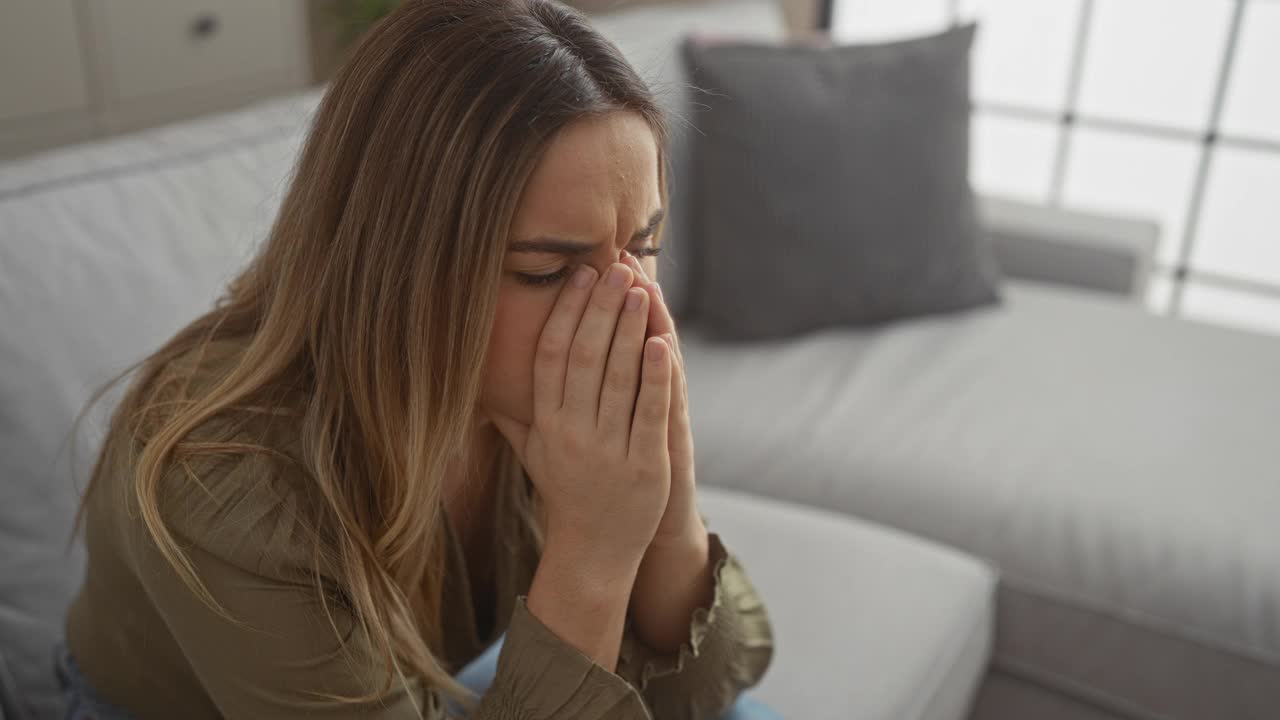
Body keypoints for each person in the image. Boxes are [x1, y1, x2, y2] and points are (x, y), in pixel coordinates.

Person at [57, 0, 776, 717]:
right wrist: (592, 545)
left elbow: (706, 695)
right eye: (546, 273)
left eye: (641, 248)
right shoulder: (224, 479)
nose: (628, 308)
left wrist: (669, 496)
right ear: (399, 268)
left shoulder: (524, 391)